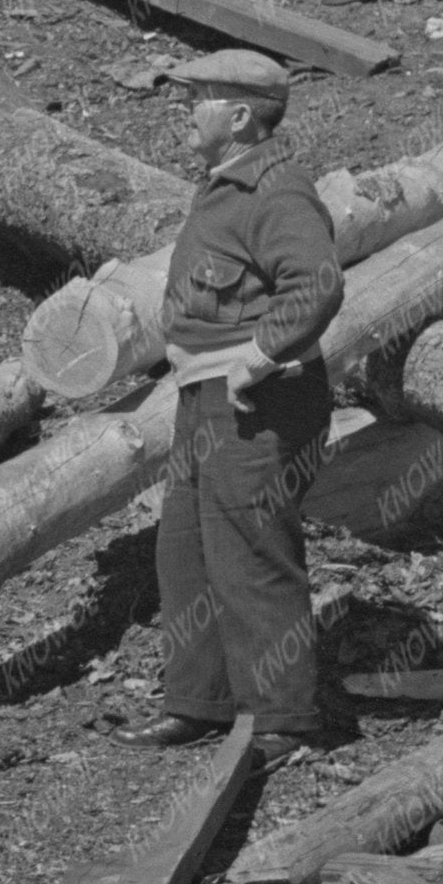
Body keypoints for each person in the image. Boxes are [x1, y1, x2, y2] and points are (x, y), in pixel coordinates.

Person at [136, 49, 351, 762]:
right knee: (185, 551)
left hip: (259, 400)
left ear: (237, 115)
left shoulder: (274, 190)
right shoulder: (221, 188)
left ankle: (283, 719)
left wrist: (259, 356)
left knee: (251, 556)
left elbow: (315, 282)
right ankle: (197, 702)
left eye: (196, 97)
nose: (183, 111)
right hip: (203, 398)